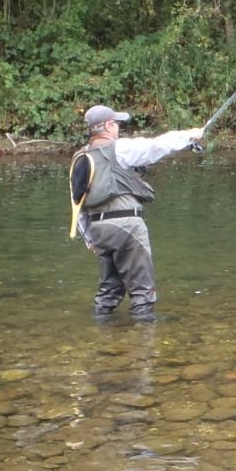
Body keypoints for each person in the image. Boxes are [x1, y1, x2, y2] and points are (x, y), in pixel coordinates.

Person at [69, 105, 204, 318]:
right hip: (127, 227)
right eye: (115, 124)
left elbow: (77, 201)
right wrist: (189, 136)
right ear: (106, 126)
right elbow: (156, 146)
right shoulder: (120, 149)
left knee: (108, 291)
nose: (118, 128)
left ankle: (102, 335)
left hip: (98, 230)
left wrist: (89, 238)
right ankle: (143, 338)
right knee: (143, 291)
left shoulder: (80, 157)